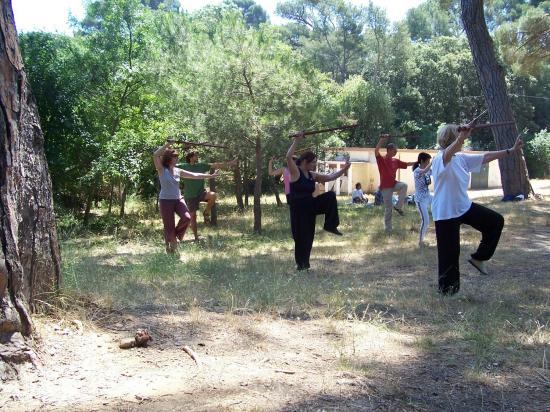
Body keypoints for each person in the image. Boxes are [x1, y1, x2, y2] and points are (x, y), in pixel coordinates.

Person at [431, 124, 523, 295]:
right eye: (458, 137)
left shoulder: (461, 158)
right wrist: (461, 138)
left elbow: (486, 156)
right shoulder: (440, 159)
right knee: (449, 254)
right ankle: (448, 291)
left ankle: (479, 257)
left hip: (463, 207)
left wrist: (510, 150)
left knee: (495, 221)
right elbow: (448, 153)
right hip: (445, 212)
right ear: (452, 138)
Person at [286, 133, 351, 271]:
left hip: (310, 206)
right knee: (301, 237)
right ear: (305, 162)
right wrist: (297, 141)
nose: (316, 164)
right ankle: (302, 265)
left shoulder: (312, 175)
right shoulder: (295, 172)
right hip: (298, 210)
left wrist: (343, 170)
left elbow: (329, 177)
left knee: (330, 196)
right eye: (313, 162)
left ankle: (330, 225)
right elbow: (288, 157)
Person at [152, 141, 219, 253]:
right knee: (169, 225)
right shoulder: (161, 169)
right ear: (169, 158)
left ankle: (174, 238)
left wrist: (211, 176)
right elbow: (155, 155)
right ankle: (171, 247)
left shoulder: (178, 170)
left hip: (178, 199)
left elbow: (195, 175)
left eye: (177, 157)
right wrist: (168, 145)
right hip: (165, 201)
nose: (177, 159)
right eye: (175, 157)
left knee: (187, 218)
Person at [178, 152, 236, 241]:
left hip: (201, 193)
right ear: (190, 158)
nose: (197, 157)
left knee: (213, 195)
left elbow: (216, 165)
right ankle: (196, 237)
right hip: (190, 196)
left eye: (197, 155)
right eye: (195, 155)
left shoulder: (201, 165)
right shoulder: (184, 166)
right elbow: (170, 165)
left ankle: (206, 212)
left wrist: (230, 163)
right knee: (193, 217)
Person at [375, 135, 416, 233]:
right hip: (385, 187)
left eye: (396, 150)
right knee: (388, 208)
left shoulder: (395, 161)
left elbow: (407, 164)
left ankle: (398, 206)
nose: (396, 152)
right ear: (389, 150)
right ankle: (388, 229)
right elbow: (376, 151)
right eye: (394, 150)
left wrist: (417, 162)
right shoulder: (381, 159)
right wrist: (381, 140)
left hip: (394, 184)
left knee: (404, 185)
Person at [413, 152, 432, 247]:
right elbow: (424, 171)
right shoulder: (417, 171)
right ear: (421, 161)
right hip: (420, 199)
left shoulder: (428, 169)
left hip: (428, 196)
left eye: (430, 161)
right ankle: (420, 242)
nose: (429, 163)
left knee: (441, 204)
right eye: (428, 161)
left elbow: (435, 171)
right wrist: (433, 163)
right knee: (426, 221)